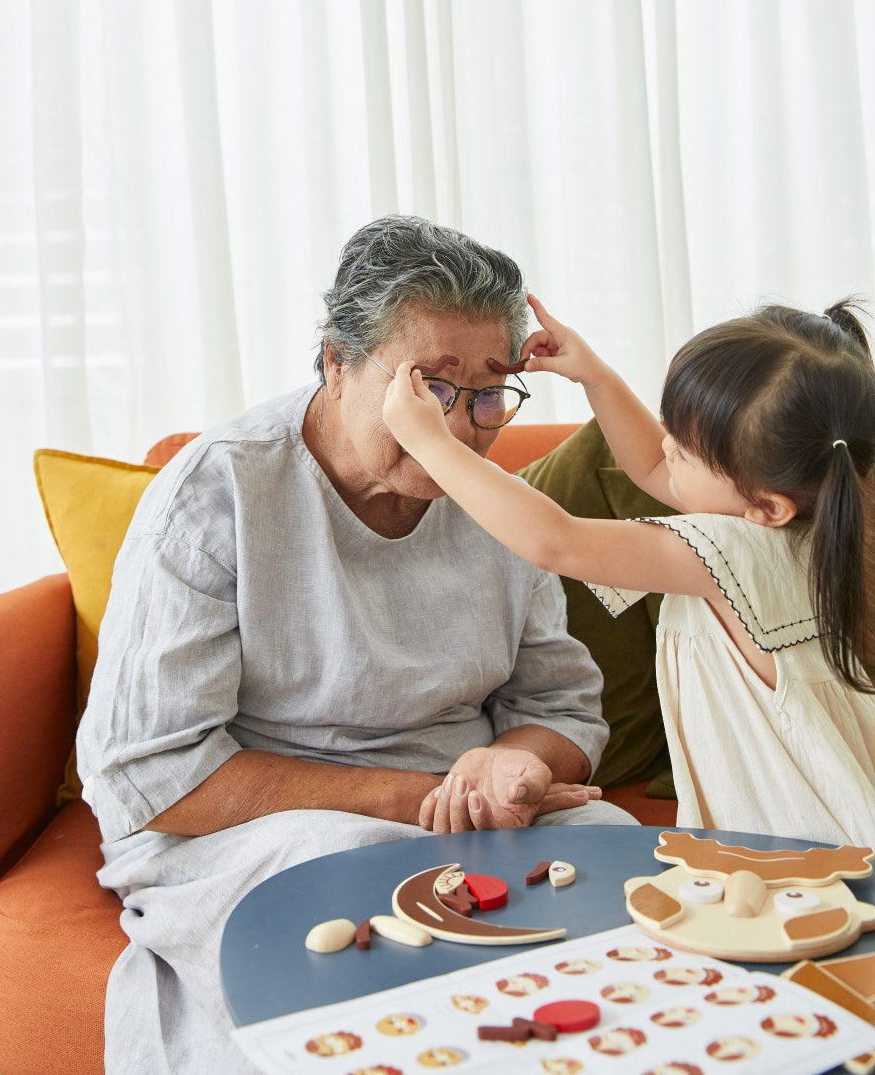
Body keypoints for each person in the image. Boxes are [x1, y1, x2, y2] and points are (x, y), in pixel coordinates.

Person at [76, 216, 634, 1075]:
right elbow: (151, 774)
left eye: (488, 392)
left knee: (613, 847)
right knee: (353, 875)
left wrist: (516, 764)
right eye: (429, 388)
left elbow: (557, 704)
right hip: (255, 827)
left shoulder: (494, 504)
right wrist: (421, 801)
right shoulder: (220, 491)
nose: (460, 428)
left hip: (460, 808)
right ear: (337, 363)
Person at [382, 293, 875, 845]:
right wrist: (594, 376)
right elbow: (649, 464)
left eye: (686, 451)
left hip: (808, 847)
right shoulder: (815, 529)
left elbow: (555, 541)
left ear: (767, 505)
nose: (666, 448)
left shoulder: (727, 549)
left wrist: (428, 440)